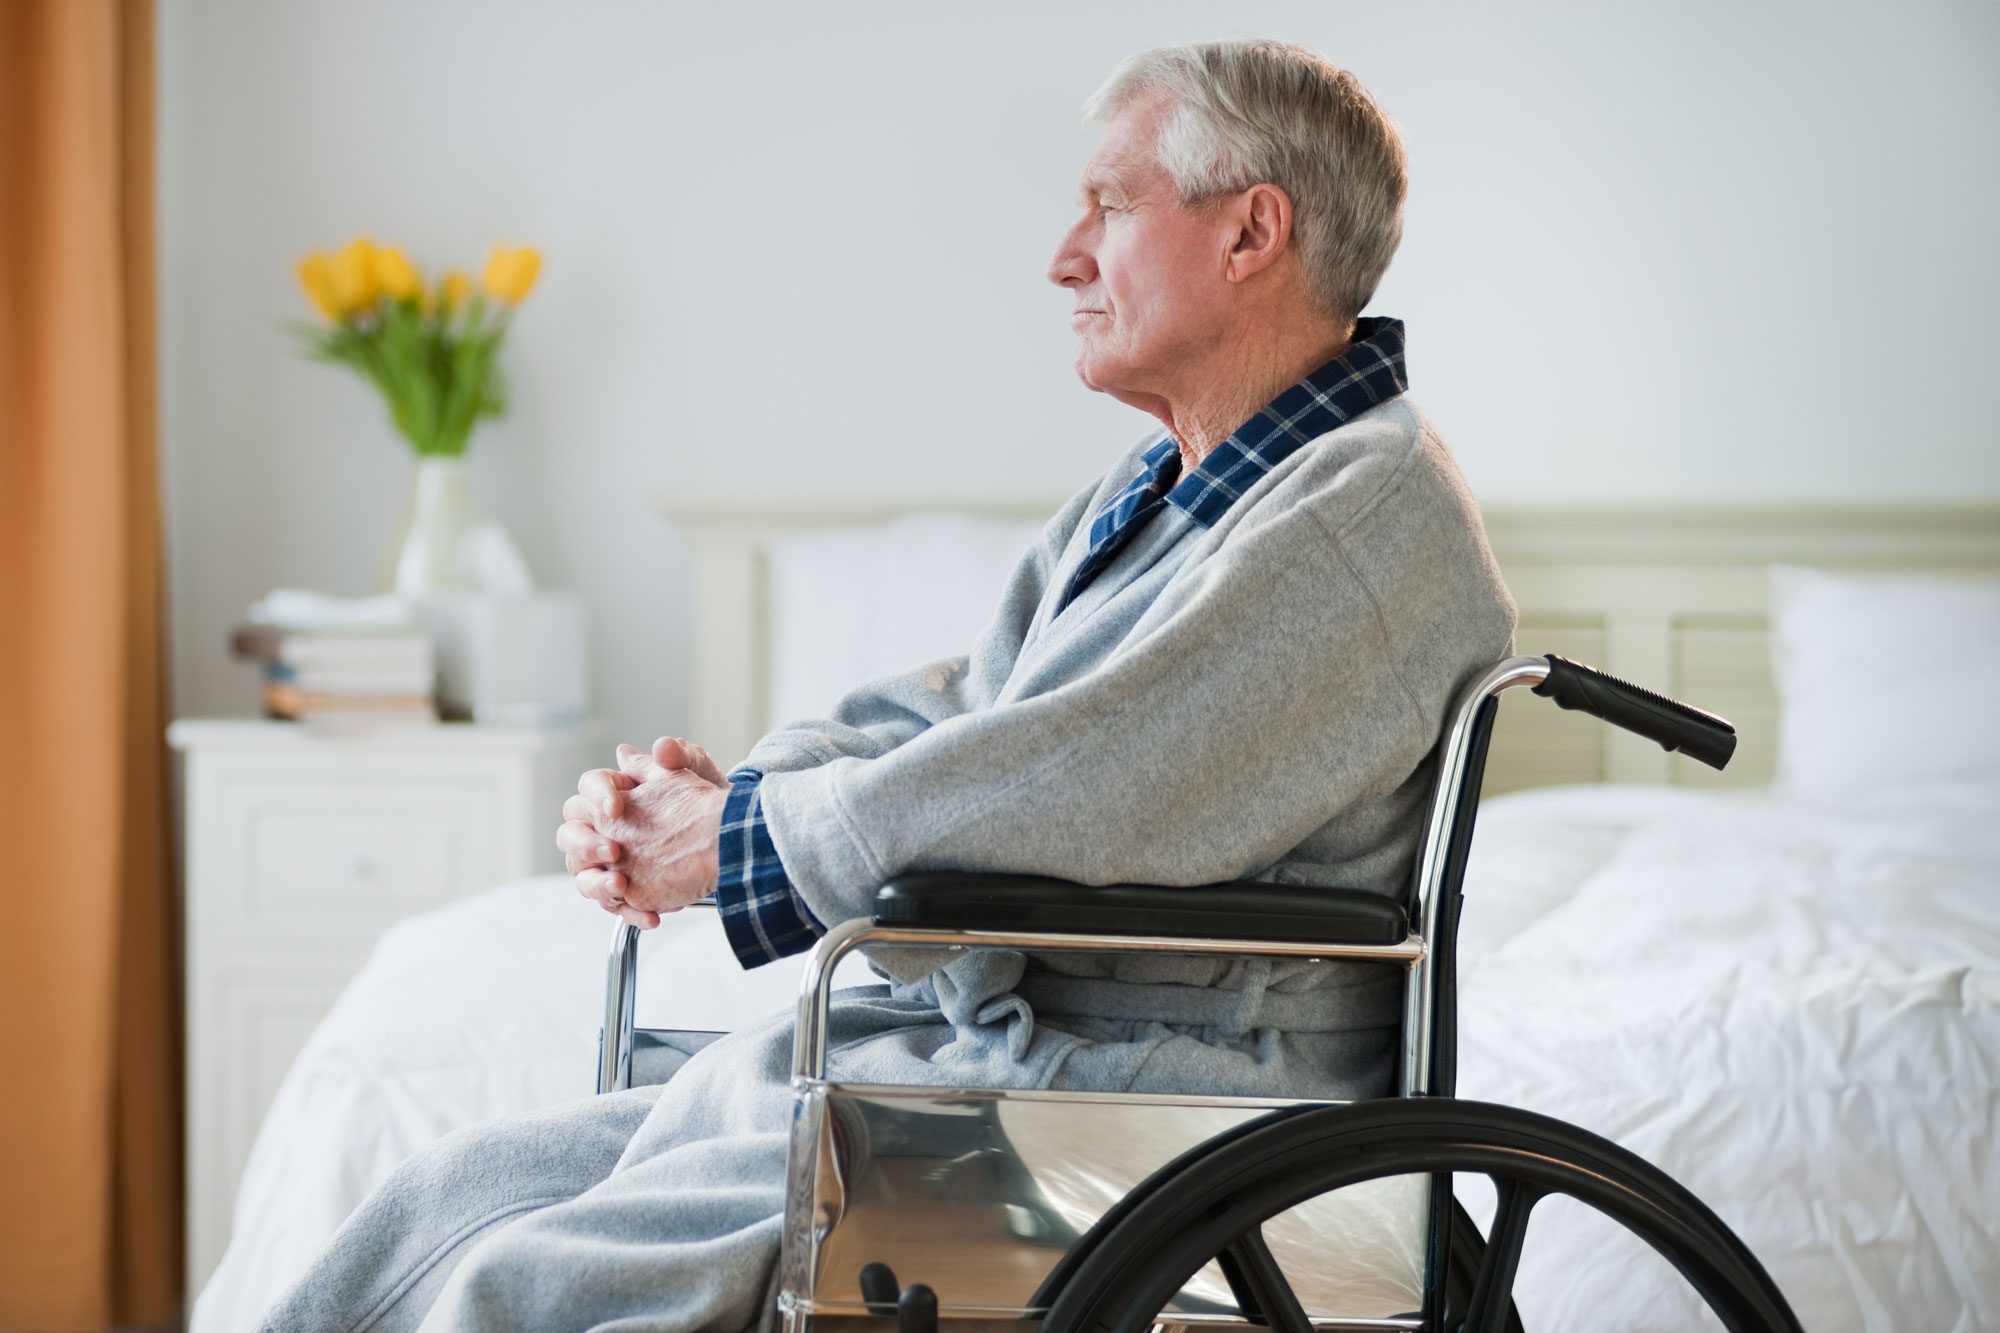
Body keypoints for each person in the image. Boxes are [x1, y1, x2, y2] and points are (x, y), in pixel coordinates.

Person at [263, 38, 1515, 1332]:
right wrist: (733, 799)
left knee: (515, 1282)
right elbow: (968, 710)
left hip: (1155, 1110)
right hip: (1023, 1071)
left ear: (1254, 230)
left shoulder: (1363, 519)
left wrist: (741, 842)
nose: (1065, 254)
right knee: (447, 1194)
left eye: (1112, 204)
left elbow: (1076, 776)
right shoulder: (1168, 492)